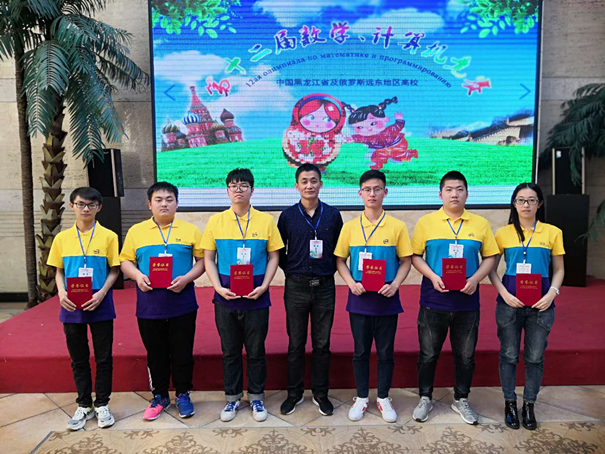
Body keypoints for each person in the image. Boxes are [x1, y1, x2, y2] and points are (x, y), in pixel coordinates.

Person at [411, 171, 499, 425]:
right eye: (449, 189)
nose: (454, 194)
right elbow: (415, 255)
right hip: (433, 300)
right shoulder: (427, 222)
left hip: (467, 302)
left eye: (460, 189)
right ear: (440, 194)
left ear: (467, 194)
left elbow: (491, 256)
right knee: (428, 354)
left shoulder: (480, 224)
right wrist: (432, 276)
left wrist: (476, 279)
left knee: (466, 355)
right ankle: (425, 397)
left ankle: (461, 398)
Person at [202, 168, 284, 422]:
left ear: (252, 190)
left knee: (256, 350)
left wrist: (265, 285)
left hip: (256, 296)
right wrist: (217, 287)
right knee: (230, 351)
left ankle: (257, 397)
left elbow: (274, 256)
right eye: (234, 185)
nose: (238, 189)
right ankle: (232, 398)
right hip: (225, 297)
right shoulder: (216, 221)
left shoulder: (266, 221)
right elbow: (208, 258)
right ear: (227, 190)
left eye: (244, 185)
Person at [120, 182, 205, 420]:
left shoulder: (190, 230)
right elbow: (125, 261)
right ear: (150, 204)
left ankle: (183, 394)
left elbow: (202, 261)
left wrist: (186, 279)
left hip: (182, 303)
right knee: (155, 353)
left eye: (169, 199)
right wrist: (138, 276)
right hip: (150, 305)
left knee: (182, 351)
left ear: (177, 203)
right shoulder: (137, 231)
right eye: (158, 200)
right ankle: (159, 396)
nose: (164, 204)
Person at [334, 170, 412, 423]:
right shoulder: (350, 227)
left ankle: (384, 397)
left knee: (386, 352)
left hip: (387, 299)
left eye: (377, 189)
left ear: (385, 192)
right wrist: (351, 283)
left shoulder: (397, 226)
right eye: (367, 189)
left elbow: (406, 260)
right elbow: (340, 260)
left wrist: (395, 284)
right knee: (360, 351)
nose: (372, 194)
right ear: (360, 193)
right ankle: (361, 397)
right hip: (359, 299)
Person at [488, 183, 564, 430]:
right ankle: (510, 403)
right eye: (521, 200)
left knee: (534, 357)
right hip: (509, 304)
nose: (526, 205)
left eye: (532, 200)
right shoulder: (503, 233)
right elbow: (491, 269)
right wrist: (504, 293)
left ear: (539, 204)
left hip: (542, 305)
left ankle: (529, 404)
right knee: (509, 355)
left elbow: (559, 269)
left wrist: (552, 294)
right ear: (514, 203)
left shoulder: (553, 232)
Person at [47, 187, 120, 430]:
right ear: (72, 206)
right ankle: (84, 403)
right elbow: (58, 271)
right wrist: (61, 293)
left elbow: (114, 270)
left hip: (100, 301)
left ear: (99, 207)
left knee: (104, 357)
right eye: (81, 204)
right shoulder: (62, 238)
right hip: (71, 303)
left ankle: (102, 404)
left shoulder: (109, 236)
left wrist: (102, 293)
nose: (86, 209)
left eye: (91, 204)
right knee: (78, 357)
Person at [277, 163, 344, 416]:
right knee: (296, 343)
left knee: (322, 343)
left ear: (321, 184)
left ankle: (320, 393)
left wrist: (327, 270)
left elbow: (339, 249)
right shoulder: (287, 216)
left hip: (325, 287)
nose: (309, 185)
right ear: (296, 186)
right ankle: (294, 393)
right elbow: (279, 251)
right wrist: (293, 270)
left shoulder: (333, 215)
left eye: (313, 181)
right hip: (296, 287)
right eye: (304, 181)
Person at [342, 97, 418, 170]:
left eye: (373, 123)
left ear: (385, 120)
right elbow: (361, 138)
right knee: (378, 156)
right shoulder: (369, 137)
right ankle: (377, 164)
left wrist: (399, 119)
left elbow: (398, 126)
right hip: (381, 149)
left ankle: (409, 154)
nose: (368, 128)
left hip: (397, 144)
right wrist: (351, 138)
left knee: (399, 154)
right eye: (360, 127)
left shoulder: (390, 130)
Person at [283, 93, 347, 171]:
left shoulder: (332, 138)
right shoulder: (294, 133)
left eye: (327, 120)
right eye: (310, 117)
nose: (318, 123)